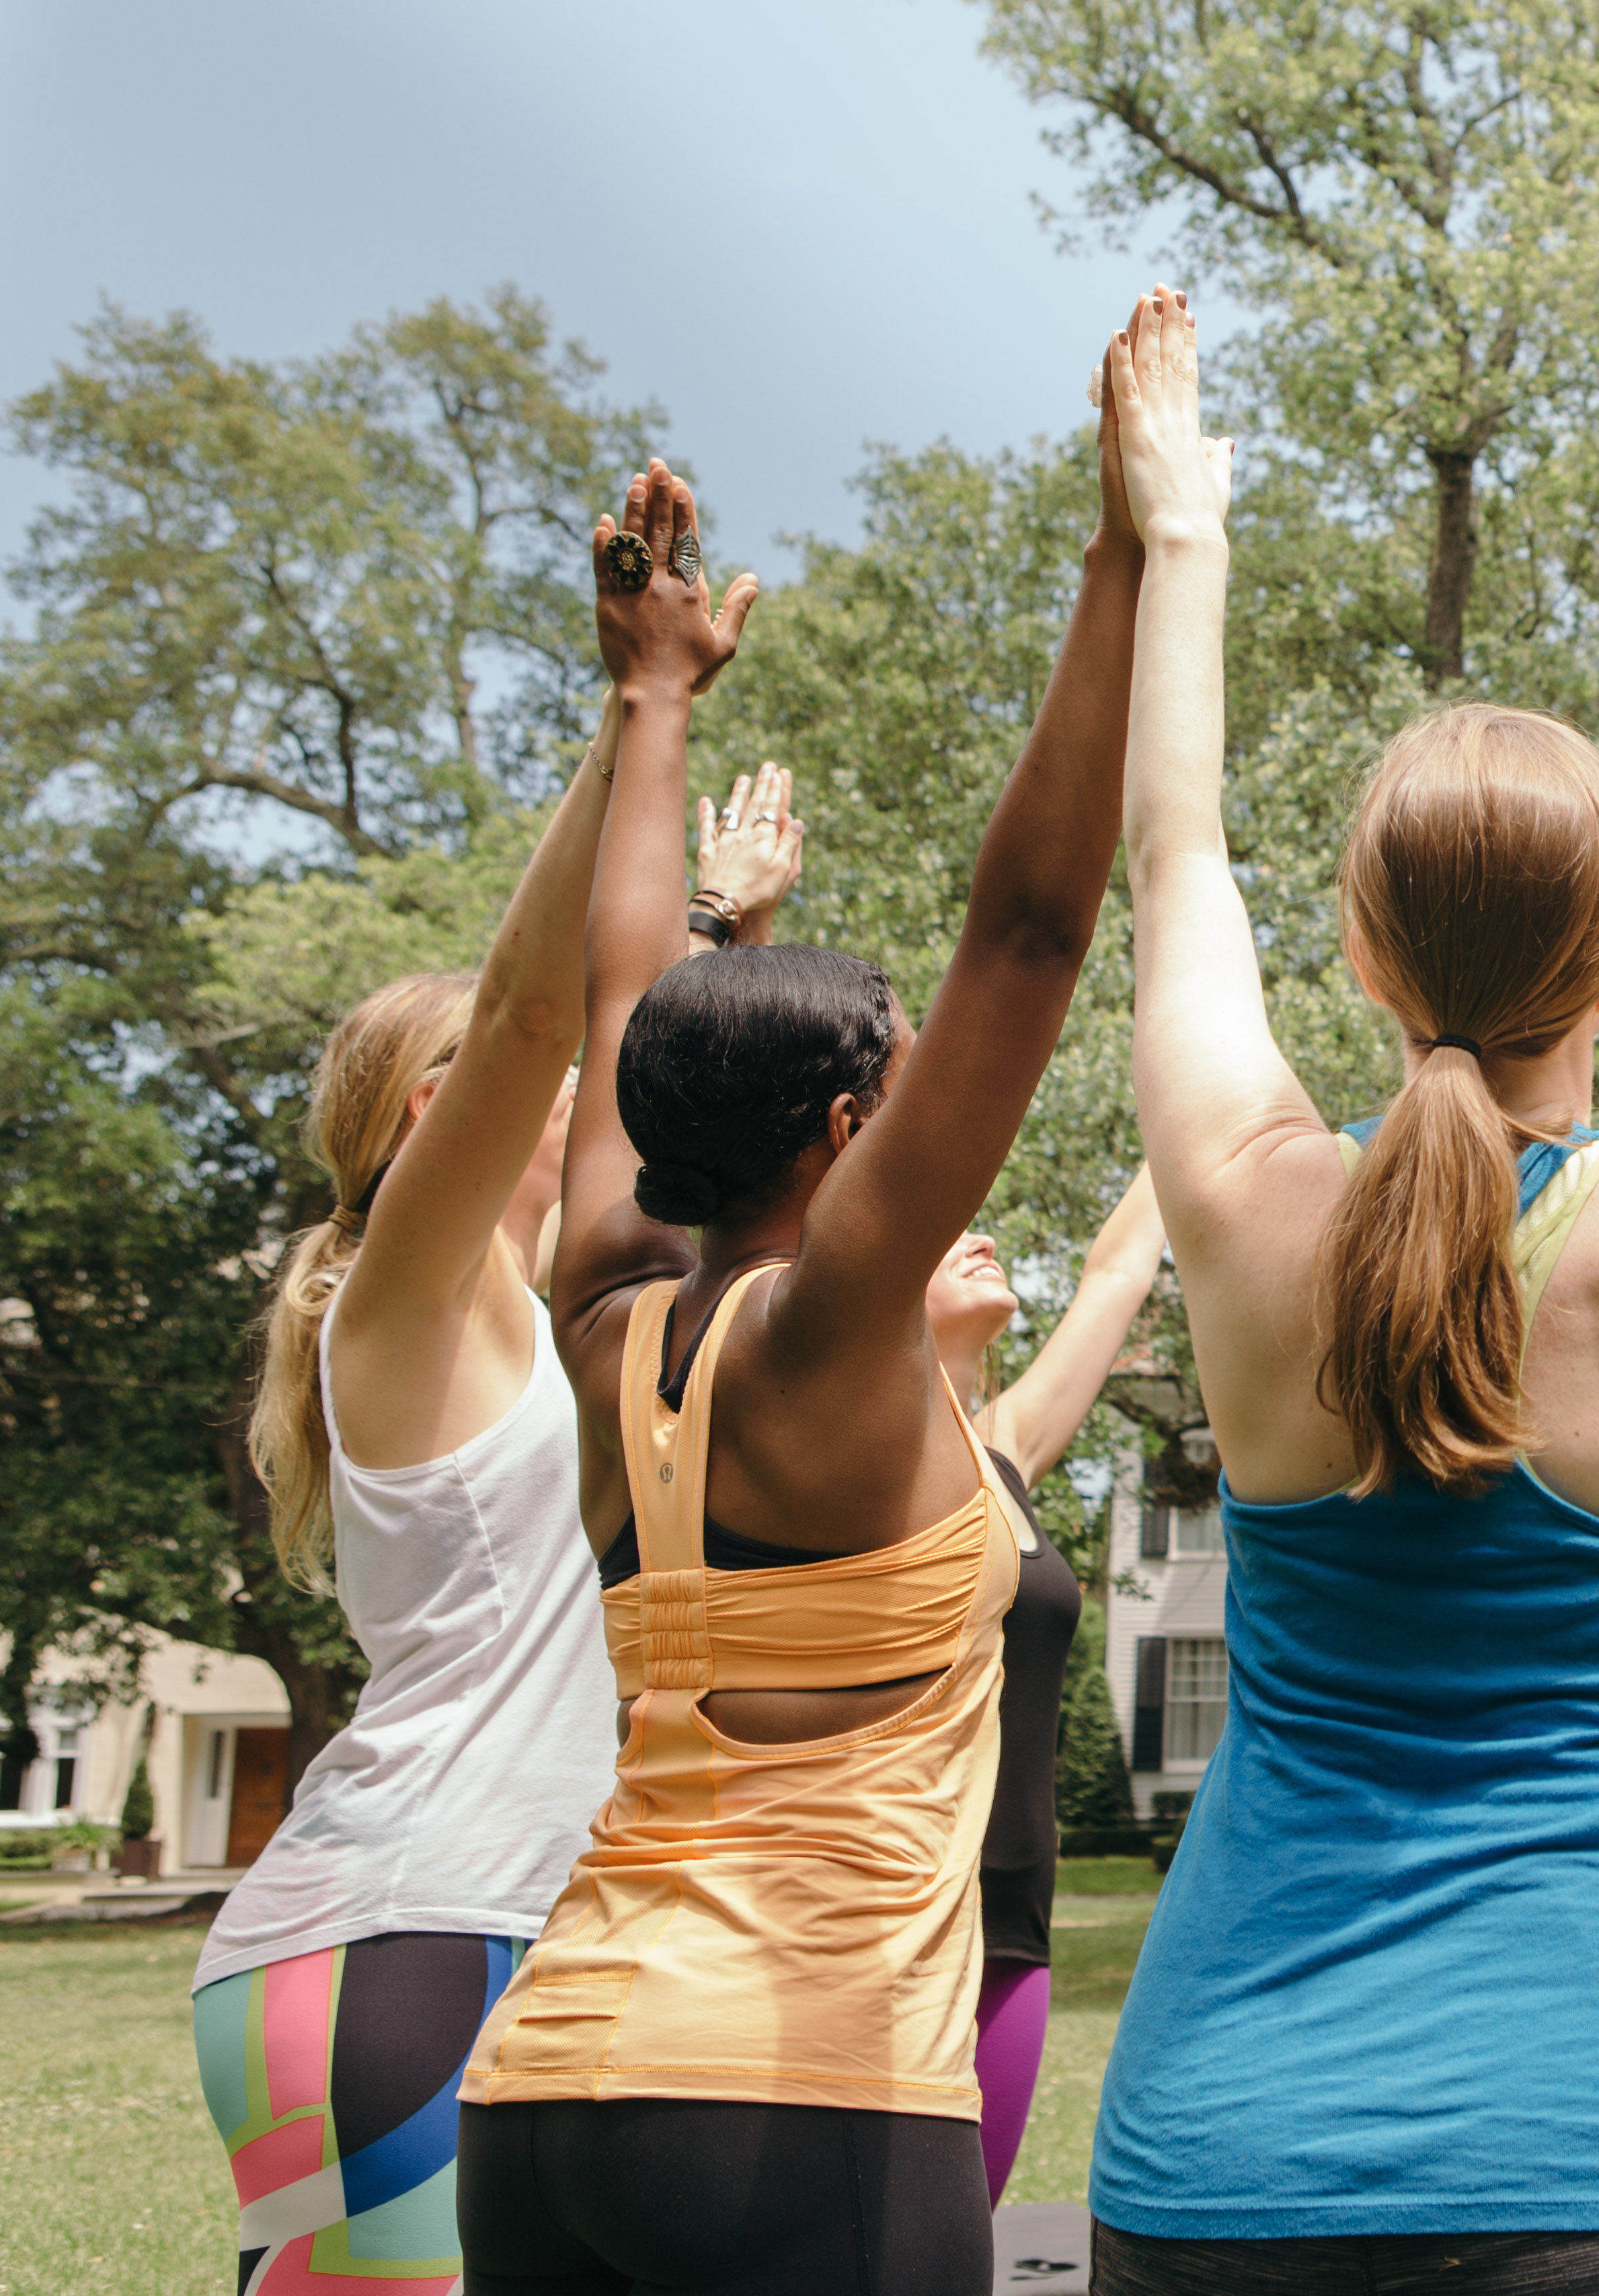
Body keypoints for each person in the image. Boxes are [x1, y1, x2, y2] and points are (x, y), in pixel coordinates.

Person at [1089, 241, 1599, 2293]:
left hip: (1228, 2163)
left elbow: (1173, 856)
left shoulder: (1242, 1193)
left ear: (1364, 965)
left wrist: (1181, 536)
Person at [458, 346, 1143, 2296]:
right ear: (851, 1130)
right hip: (803, 2103)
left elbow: (621, 996)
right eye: (905, 1097)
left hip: (547, 2094)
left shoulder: (603, 1316)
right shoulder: (824, 1336)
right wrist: (1123, 555)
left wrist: (651, 696)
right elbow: (1028, 933)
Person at [190, 466, 765, 2296]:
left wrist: (723, 942)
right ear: (430, 1120)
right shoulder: (405, 1302)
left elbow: (634, 1056)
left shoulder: (560, 1318)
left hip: (516, 1928)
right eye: (490, 1078)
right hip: (396, 1935)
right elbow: (549, 1017)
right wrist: (634, 708)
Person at [925, 1165, 1172, 2203]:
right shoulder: (836, 1450)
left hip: (1014, 1928)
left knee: (957, 2258)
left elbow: (1116, 1273)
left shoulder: (1005, 1450)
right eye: (943, 1229)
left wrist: (1197, 1085)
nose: (976, 1234)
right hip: (889, 1928)